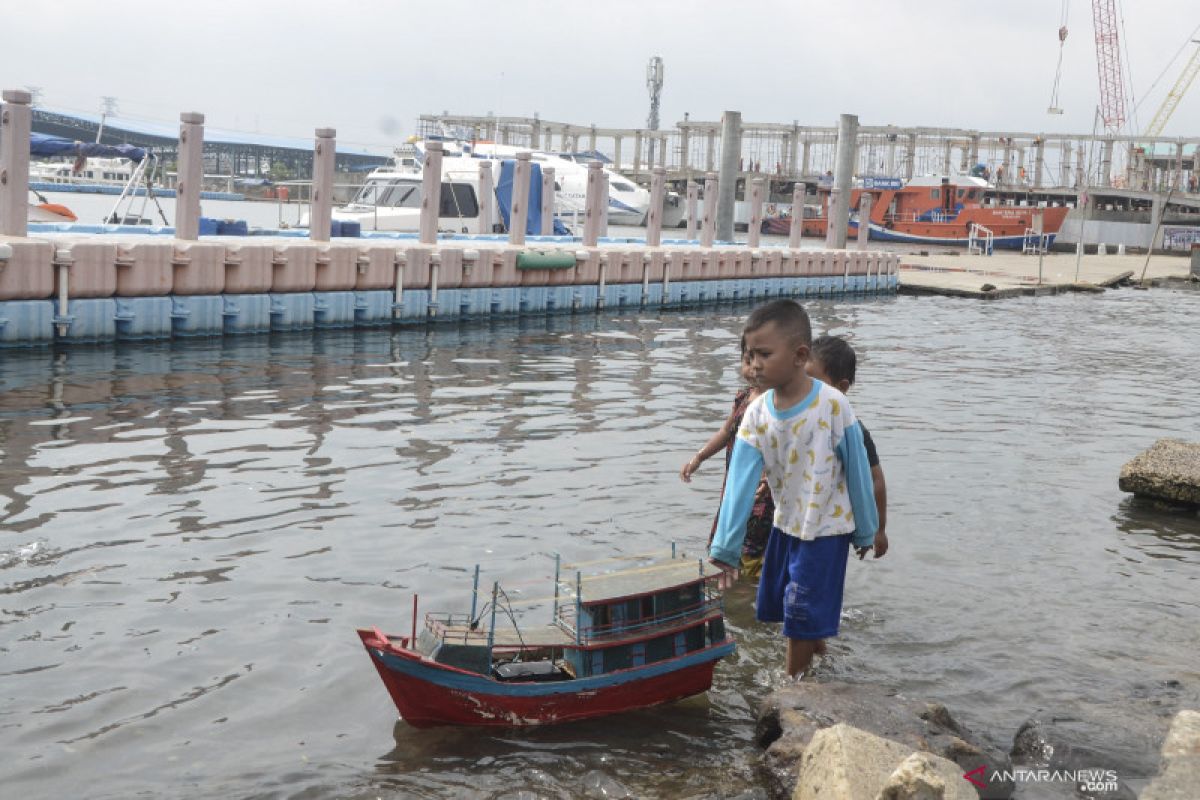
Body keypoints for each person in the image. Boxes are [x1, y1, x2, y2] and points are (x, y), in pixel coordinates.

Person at [709, 300, 877, 678]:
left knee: (798, 609)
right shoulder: (756, 413)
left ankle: (792, 689)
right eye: (748, 354)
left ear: (800, 355)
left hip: (827, 529)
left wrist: (866, 528)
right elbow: (740, 484)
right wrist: (725, 549)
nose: (753, 364)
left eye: (764, 354)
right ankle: (819, 659)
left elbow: (860, 471)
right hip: (785, 527)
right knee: (789, 607)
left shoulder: (833, 405)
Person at [680, 345, 773, 580]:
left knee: (754, 539)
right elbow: (725, 431)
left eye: (760, 360)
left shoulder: (775, 403)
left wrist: (767, 476)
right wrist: (699, 457)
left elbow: (779, 445)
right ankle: (734, 578)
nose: (753, 368)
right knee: (730, 525)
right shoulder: (743, 397)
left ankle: (752, 588)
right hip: (735, 481)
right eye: (747, 361)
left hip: (760, 487)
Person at [806, 335, 888, 561]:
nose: (803, 388)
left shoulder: (852, 430)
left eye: (812, 381)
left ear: (840, 388)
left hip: (830, 527)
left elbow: (874, 480)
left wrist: (876, 530)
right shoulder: (798, 421)